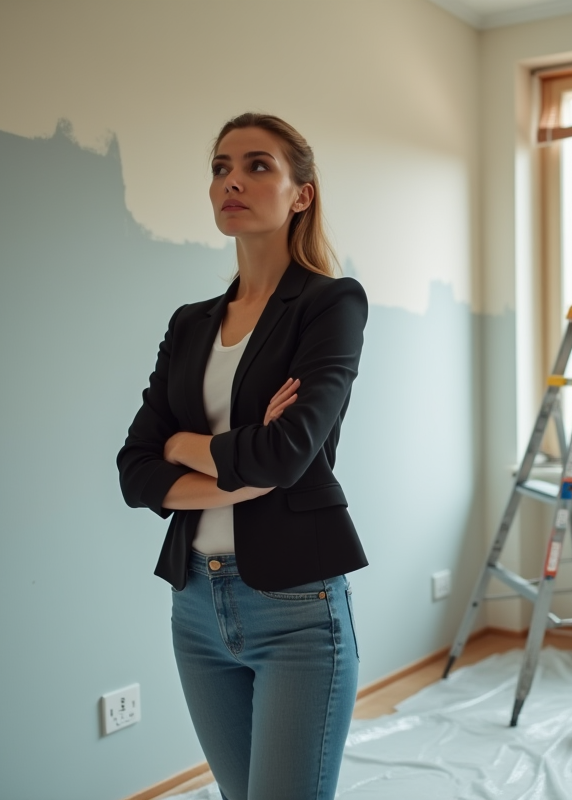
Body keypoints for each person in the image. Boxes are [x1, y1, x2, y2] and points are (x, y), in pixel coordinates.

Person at [116, 112, 368, 800]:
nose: (233, 180)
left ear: (301, 193)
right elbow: (136, 469)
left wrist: (184, 446)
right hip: (195, 603)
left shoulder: (330, 303)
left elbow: (285, 456)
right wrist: (235, 470)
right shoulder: (189, 322)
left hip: (297, 606)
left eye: (258, 166)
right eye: (221, 167)